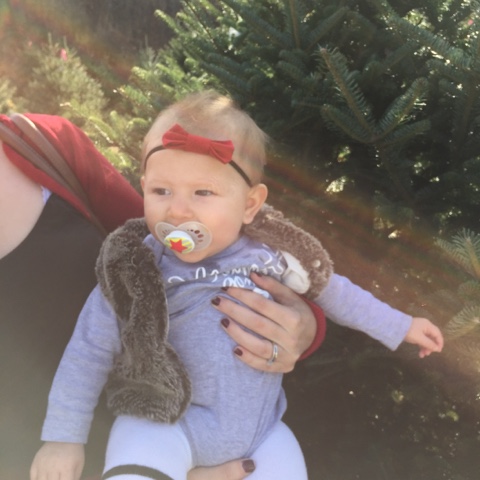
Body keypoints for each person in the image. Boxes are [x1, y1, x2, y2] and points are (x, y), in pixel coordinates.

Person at [30, 91, 444, 480]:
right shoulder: (135, 268)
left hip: (260, 433)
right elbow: (87, 350)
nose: (177, 210)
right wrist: (63, 438)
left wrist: (401, 326)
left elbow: (334, 289)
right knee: (136, 465)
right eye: (161, 190)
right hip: (162, 424)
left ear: (249, 205)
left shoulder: (271, 256)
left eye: (202, 192)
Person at [0, 112, 326, 480]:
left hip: (199, 435)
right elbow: (88, 347)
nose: (179, 206)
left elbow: (189, 244)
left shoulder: (43, 142)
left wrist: (301, 325)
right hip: (107, 455)